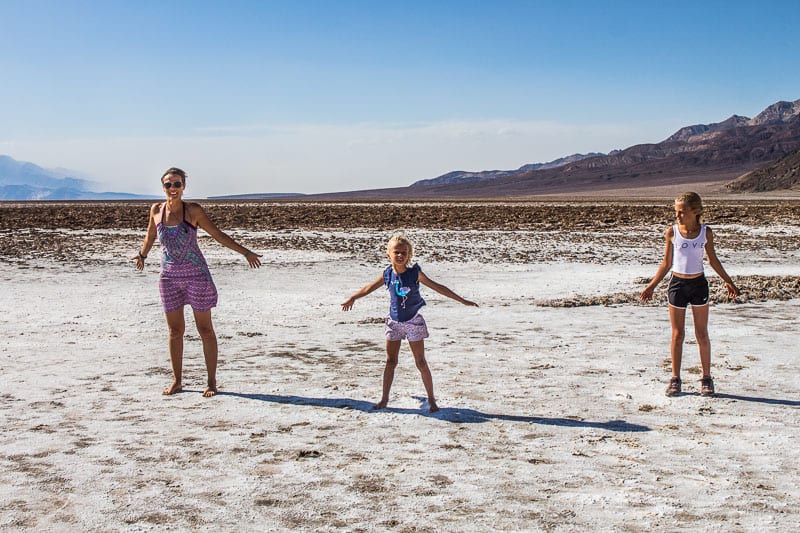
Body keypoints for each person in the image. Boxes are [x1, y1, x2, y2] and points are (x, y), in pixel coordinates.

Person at [132, 167, 262, 397]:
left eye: (177, 184)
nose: (173, 189)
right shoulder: (156, 210)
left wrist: (245, 253)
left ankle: (211, 382)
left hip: (196, 276)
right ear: (163, 187)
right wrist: (142, 255)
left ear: (184, 186)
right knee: (175, 331)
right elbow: (150, 235)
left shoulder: (192, 211)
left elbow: (218, 235)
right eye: (168, 185)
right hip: (169, 278)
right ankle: (177, 381)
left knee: (205, 329)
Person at [341, 232, 478, 412]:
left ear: (409, 255)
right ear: (388, 254)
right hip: (394, 323)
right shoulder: (387, 274)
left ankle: (431, 399)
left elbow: (439, 287)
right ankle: (384, 399)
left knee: (420, 362)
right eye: (396, 252)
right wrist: (353, 297)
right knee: (391, 361)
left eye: (404, 253)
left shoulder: (415, 273)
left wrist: (462, 300)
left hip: (413, 322)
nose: (400, 256)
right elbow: (369, 288)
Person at [640, 192, 739, 397]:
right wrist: (651, 286)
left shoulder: (705, 232)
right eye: (676, 212)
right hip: (677, 285)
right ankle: (675, 379)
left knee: (701, 334)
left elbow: (713, 260)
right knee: (677, 334)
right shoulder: (672, 232)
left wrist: (728, 281)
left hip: (699, 285)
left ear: (695, 211)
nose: (677, 216)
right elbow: (666, 263)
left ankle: (706, 378)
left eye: (681, 212)